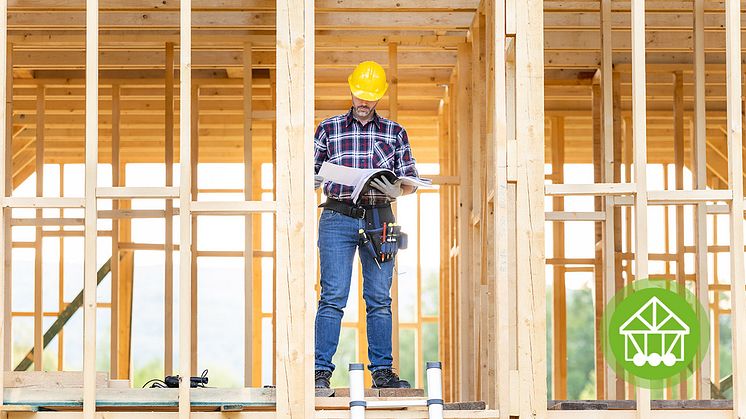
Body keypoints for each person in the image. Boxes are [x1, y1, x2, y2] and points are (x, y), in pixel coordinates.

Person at [313, 61, 418, 389]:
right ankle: (319, 373)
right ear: (351, 89)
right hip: (336, 217)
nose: (363, 102)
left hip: (379, 218)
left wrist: (398, 188)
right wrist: (323, 175)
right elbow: (308, 172)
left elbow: (411, 180)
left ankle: (383, 374)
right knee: (332, 296)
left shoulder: (395, 132)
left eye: (370, 97)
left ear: (380, 97)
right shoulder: (328, 129)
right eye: (359, 94)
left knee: (379, 298)